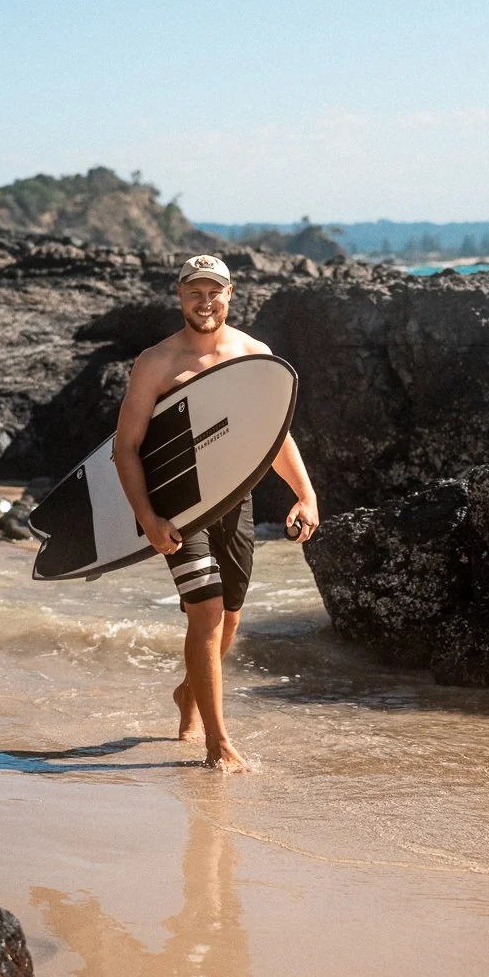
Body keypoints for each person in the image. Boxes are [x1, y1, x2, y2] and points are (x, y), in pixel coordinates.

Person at [113, 254, 319, 771]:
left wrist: (305, 493)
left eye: (214, 292)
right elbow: (126, 447)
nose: (205, 302)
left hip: (233, 498)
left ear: (230, 294)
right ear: (179, 296)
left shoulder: (253, 355)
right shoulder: (156, 362)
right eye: (194, 292)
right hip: (177, 505)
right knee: (204, 611)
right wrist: (148, 518)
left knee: (229, 617)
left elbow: (274, 435)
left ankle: (189, 693)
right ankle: (217, 743)